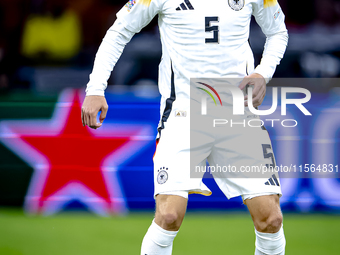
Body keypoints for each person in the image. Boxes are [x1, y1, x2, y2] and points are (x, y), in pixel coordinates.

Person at [81, 0, 288, 254]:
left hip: (238, 115)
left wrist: (262, 73)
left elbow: (278, 31)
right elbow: (119, 31)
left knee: (271, 219)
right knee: (169, 215)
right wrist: (95, 89)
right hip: (182, 115)